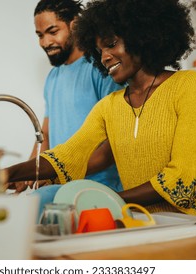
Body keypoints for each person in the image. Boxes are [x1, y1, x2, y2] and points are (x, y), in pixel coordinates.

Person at [5, 0, 196, 224]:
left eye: (111, 44)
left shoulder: (191, 85)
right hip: (144, 224)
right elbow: (66, 157)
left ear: (141, 37)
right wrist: (5, 174)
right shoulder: (109, 106)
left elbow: (184, 176)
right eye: (99, 50)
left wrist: (108, 200)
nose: (104, 57)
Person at [13, 0, 124, 216]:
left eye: (52, 31)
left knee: (28, 212)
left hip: (98, 189)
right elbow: (44, 135)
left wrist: (56, 173)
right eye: (39, 35)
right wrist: (26, 173)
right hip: (62, 183)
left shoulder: (101, 68)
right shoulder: (53, 78)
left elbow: (114, 145)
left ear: (74, 25)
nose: (45, 42)